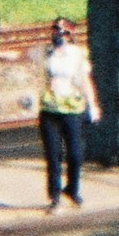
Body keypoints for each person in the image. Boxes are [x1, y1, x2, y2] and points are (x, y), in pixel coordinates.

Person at [38, 19, 97, 211]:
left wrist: (93, 105)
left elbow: (86, 81)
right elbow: (20, 55)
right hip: (50, 109)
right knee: (53, 155)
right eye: (55, 31)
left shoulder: (78, 55)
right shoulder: (46, 53)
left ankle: (71, 189)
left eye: (63, 32)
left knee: (75, 154)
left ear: (70, 35)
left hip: (72, 109)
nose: (58, 35)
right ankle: (54, 196)